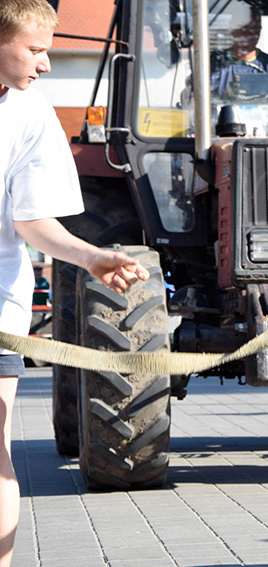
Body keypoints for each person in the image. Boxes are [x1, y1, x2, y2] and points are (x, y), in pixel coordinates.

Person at [0, 2, 150, 566]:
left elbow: (31, 219)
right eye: (36, 49)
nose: (44, 64)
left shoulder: (31, 116)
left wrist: (89, 257)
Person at [210, 5, 268, 105]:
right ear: (232, 29)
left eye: (254, 28)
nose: (249, 34)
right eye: (244, 27)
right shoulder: (214, 63)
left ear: (259, 30)